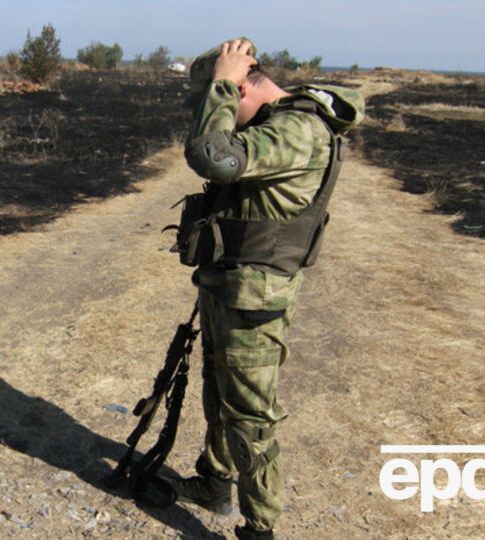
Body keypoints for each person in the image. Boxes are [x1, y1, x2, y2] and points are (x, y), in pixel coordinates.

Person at [162, 39, 364, 539]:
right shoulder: (277, 124)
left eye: (229, 95)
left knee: (250, 416)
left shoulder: (298, 129)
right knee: (218, 389)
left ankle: (260, 527)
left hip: (256, 296)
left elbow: (213, 156)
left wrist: (223, 83)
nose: (222, 110)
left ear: (247, 83)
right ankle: (214, 482)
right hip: (231, 283)